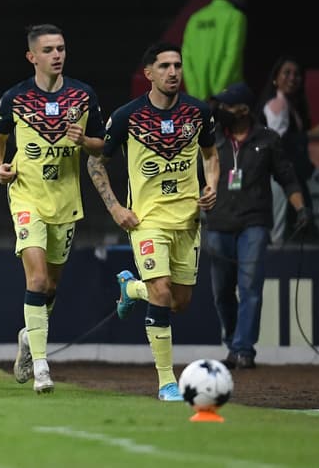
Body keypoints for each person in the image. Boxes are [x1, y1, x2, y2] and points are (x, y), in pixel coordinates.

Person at [86, 42, 219, 401]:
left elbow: (210, 154)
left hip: (187, 221)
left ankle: (130, 288)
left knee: (179, 302)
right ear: (148, 73)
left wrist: (211, 185)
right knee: (160, 292)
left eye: (177, 65)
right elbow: (95, 161)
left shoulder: (198, 112)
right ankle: (167, 382)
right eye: (164, 66)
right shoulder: (127, 116)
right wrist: (115, 208)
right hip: (146, 221)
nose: (173, 72)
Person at [0, 24, 104, 394]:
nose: (57, 55)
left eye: (61, 49)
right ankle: (41, 366)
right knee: (36, 280)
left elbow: (102, 145)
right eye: (49, 50)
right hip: (27, 197)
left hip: (65, 201)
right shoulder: (15, 97)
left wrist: (85, 140)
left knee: (50, 286)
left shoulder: (83, 95)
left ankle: (28, 338)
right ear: (32, 56)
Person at [204, 82, 310, 369]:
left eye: (227, 106)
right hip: (218, 222)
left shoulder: (268, 139)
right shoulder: (211, 138)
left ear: (243, 110)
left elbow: (287, 177)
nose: (221, 110)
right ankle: (233, 343)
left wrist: (300, 209)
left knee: (250, 286)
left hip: (254, 223)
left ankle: (243, 349)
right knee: (222, 292)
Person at [258, 56, 319, 238]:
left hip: (291, 177)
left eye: (297, 74)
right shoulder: (277, 104)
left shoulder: (292, 105)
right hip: (278, 178)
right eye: (286, 73)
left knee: (300, 226)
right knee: (278, 231)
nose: (292, 78)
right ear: (275, 78)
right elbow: (277, 141)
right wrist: (311, 135)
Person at [181, 0, 247, 101]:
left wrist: (196, 93)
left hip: (198, 96)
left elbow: (185, 59)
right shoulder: (236, 17)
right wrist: (217, 93)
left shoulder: (195, 19)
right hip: (228, 95)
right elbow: (232, 56)